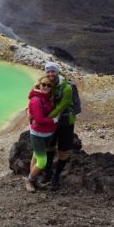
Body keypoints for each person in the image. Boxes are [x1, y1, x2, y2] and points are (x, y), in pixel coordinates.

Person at [42, 61, 81, 190]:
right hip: (52, 122)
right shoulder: (46, 83)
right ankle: (48, 172)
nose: (51, 73)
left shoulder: (67, 87)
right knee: (49, 147)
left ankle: (56, 176)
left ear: (57, 72)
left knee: (63, 150)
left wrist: (45, 118)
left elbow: (64, 105)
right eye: (48, 71)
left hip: (65, 122)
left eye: (53, 71)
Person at [25, 76, 57, 192]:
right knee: (42, 161)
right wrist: (54, 120)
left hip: (46, 134)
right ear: (39, 85)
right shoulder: (37, 99)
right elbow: (39, 119)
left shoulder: (47, 98)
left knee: (35, 156)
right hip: (38, 135)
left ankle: (33, 180)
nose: (46, 87)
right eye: (44, 84)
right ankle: (29, 180)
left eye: (49, 85)